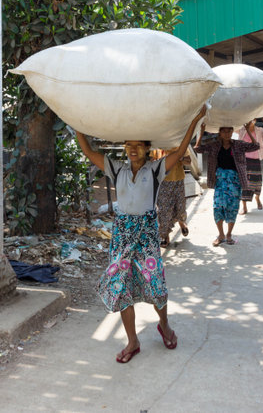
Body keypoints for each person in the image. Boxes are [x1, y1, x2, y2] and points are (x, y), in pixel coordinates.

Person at [76, 105, 206, 363]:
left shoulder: (155, 170)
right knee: (122, 287)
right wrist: (76, 121)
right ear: (124, 148)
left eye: (138, 145)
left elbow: (180, 151)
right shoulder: (117, 170)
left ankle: (164, 325)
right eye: (128, 145)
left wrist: (195, 119)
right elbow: (89, 151)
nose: (132, 149)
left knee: (155, 284)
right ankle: (133, 341)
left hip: (146, 236)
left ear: (147, 148)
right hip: (122, 237)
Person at [194, 122, 259, 247]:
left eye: (229, 131)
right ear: (220, 133)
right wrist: (201, 132)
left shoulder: (238, 145)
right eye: (224, 131)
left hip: (235, 181)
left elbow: (255, 146)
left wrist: (247, 130)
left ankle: (229, 234)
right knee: (217, 207)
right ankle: (221, 234)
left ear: (232, 132)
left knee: (232, 208)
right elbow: (197, 148)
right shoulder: (214, 145)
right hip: (220, 181)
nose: (227, 134)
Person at [153, 147, 191, 248]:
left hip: (178, 181)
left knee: (180, 207)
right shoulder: (158, 146)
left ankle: (181, 223)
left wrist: (180, 158)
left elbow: (189, 162)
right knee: (164, 210)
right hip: (163, 182)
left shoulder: (180, 145)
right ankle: (165, 235)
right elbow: (152, 163)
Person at [238, 116, 263, 214]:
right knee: (244, 183)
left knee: (257, 183)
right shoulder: (241, 130)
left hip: (255, 160)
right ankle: (244, 206)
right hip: (243, 160)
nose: (251, 121)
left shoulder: (259, 130)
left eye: (252, 119)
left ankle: (257, 199)